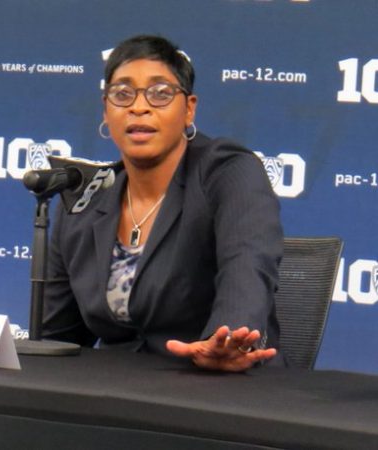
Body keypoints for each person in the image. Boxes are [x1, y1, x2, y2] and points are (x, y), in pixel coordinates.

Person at [42, 35, 284, 371]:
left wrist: (226, 341)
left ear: (189, 109)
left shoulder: (227, 172)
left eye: (160, 93)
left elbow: (247, 267)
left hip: (219, 385)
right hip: (117, 391)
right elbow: (57, 339)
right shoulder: (85, 199)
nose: (138, 107)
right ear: (106, 110)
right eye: (122, 93)